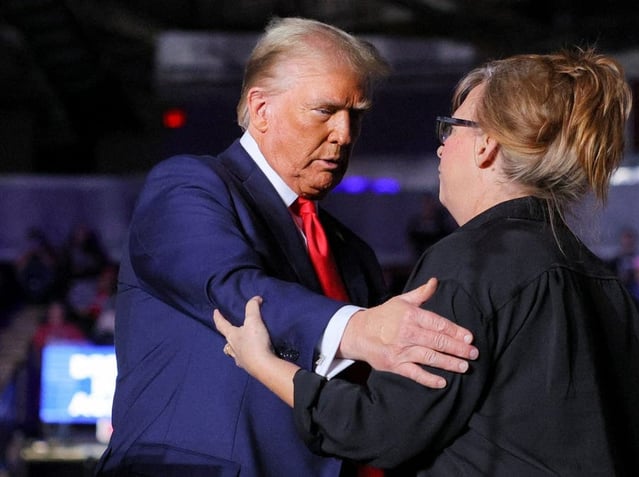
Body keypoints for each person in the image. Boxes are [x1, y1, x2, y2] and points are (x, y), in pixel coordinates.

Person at [215, 47, 639, 475]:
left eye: (452, 129)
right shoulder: (605, 281)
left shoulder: (471, 262)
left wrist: (263, 363)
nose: (442, 149)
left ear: (487, 145)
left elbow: (378, 430)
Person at [95, 17, 478, 477]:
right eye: (325, 111)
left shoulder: (352, 252)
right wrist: (360, 330)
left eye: (356, 114)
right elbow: (232, 289)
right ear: (261, 109)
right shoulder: (188, 185)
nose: (345, 133)